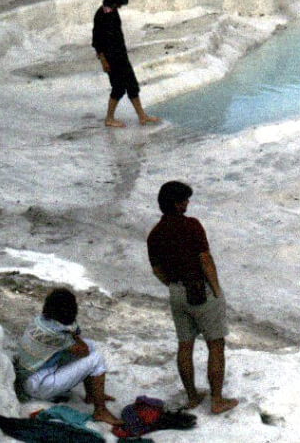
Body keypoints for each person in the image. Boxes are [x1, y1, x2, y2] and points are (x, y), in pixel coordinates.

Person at [148, 181, 239, 415]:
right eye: (185, 200)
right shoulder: (192, 225)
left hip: (177, 293)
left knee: (185, 345)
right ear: (177, 204)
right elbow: (205, 259)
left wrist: (173, 285)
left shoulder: (155, 234)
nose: (188, 203)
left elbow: (156, 270)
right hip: (201, 290)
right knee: (215, 344)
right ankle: (217, 400)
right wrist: (216, 289)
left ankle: (192, 396)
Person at [15, 288, 122, 426]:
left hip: (33, 374)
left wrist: (71, 331)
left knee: (91, 345)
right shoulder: (56, 333)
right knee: (96, 358)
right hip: (37, 385)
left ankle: (92, 394)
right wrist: (72, 331)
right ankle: (100, 411)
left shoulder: (40, 320)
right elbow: (83, 350)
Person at [92, 0, 159, 128]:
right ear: (114, 2)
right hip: (111, 59)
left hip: (121, 56)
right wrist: (103, 61)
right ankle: (109, 118)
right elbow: (97, 41)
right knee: (118, 87)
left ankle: (142, 116)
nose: (120, 7)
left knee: (132, 85)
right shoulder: (101, 15)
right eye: (119, 4)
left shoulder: (113, 11)